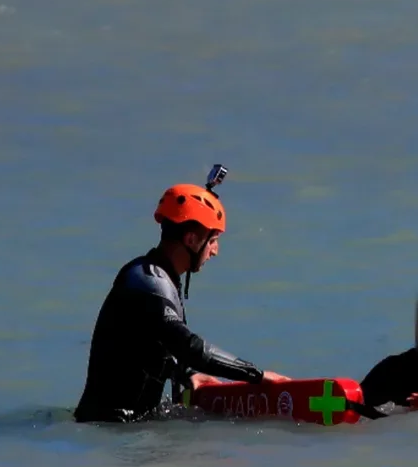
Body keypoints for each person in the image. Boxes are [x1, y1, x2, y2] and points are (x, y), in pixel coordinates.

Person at [75, 174, 288, 423]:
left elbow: (151, 346)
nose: (215, 251)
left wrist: (187, 374)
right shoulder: (146, 282)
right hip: (109, 430)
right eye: (214, 240)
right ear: (191, 239)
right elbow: (188, 346)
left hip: (126, 432)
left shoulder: (162, 279)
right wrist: (256, 375)